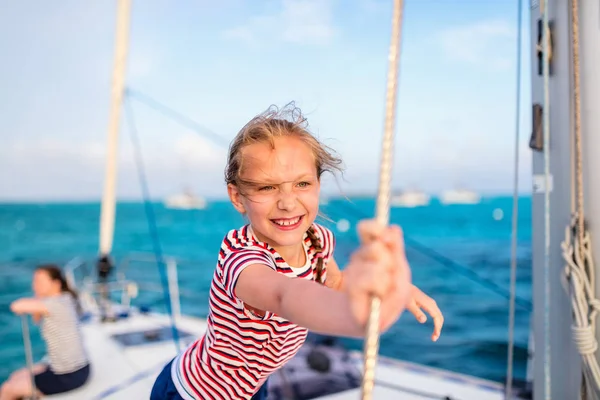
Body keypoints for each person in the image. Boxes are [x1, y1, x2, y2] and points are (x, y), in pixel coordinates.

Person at [150, 103, 444, 400]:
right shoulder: (243, 259)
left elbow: (335, 282)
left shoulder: (317, 239)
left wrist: (395, 288)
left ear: (318, 184)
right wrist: (354, 316)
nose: (288, 203)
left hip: (254, 385)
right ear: (238, 198)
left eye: (302, 183)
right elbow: (285, 295)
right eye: (267, 188)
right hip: (195, 393)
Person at [0, 264, 91, 400]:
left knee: (7, 389)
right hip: (73, 369)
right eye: (35, 281)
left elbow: (17, 306)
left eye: (39, 282)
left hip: (67, 376)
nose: (35, 285)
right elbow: (36, 319)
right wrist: (40, 294)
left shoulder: (56, 304)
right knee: (17, 375)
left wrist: (36, 297)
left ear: (56, 284)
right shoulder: (65, 298)